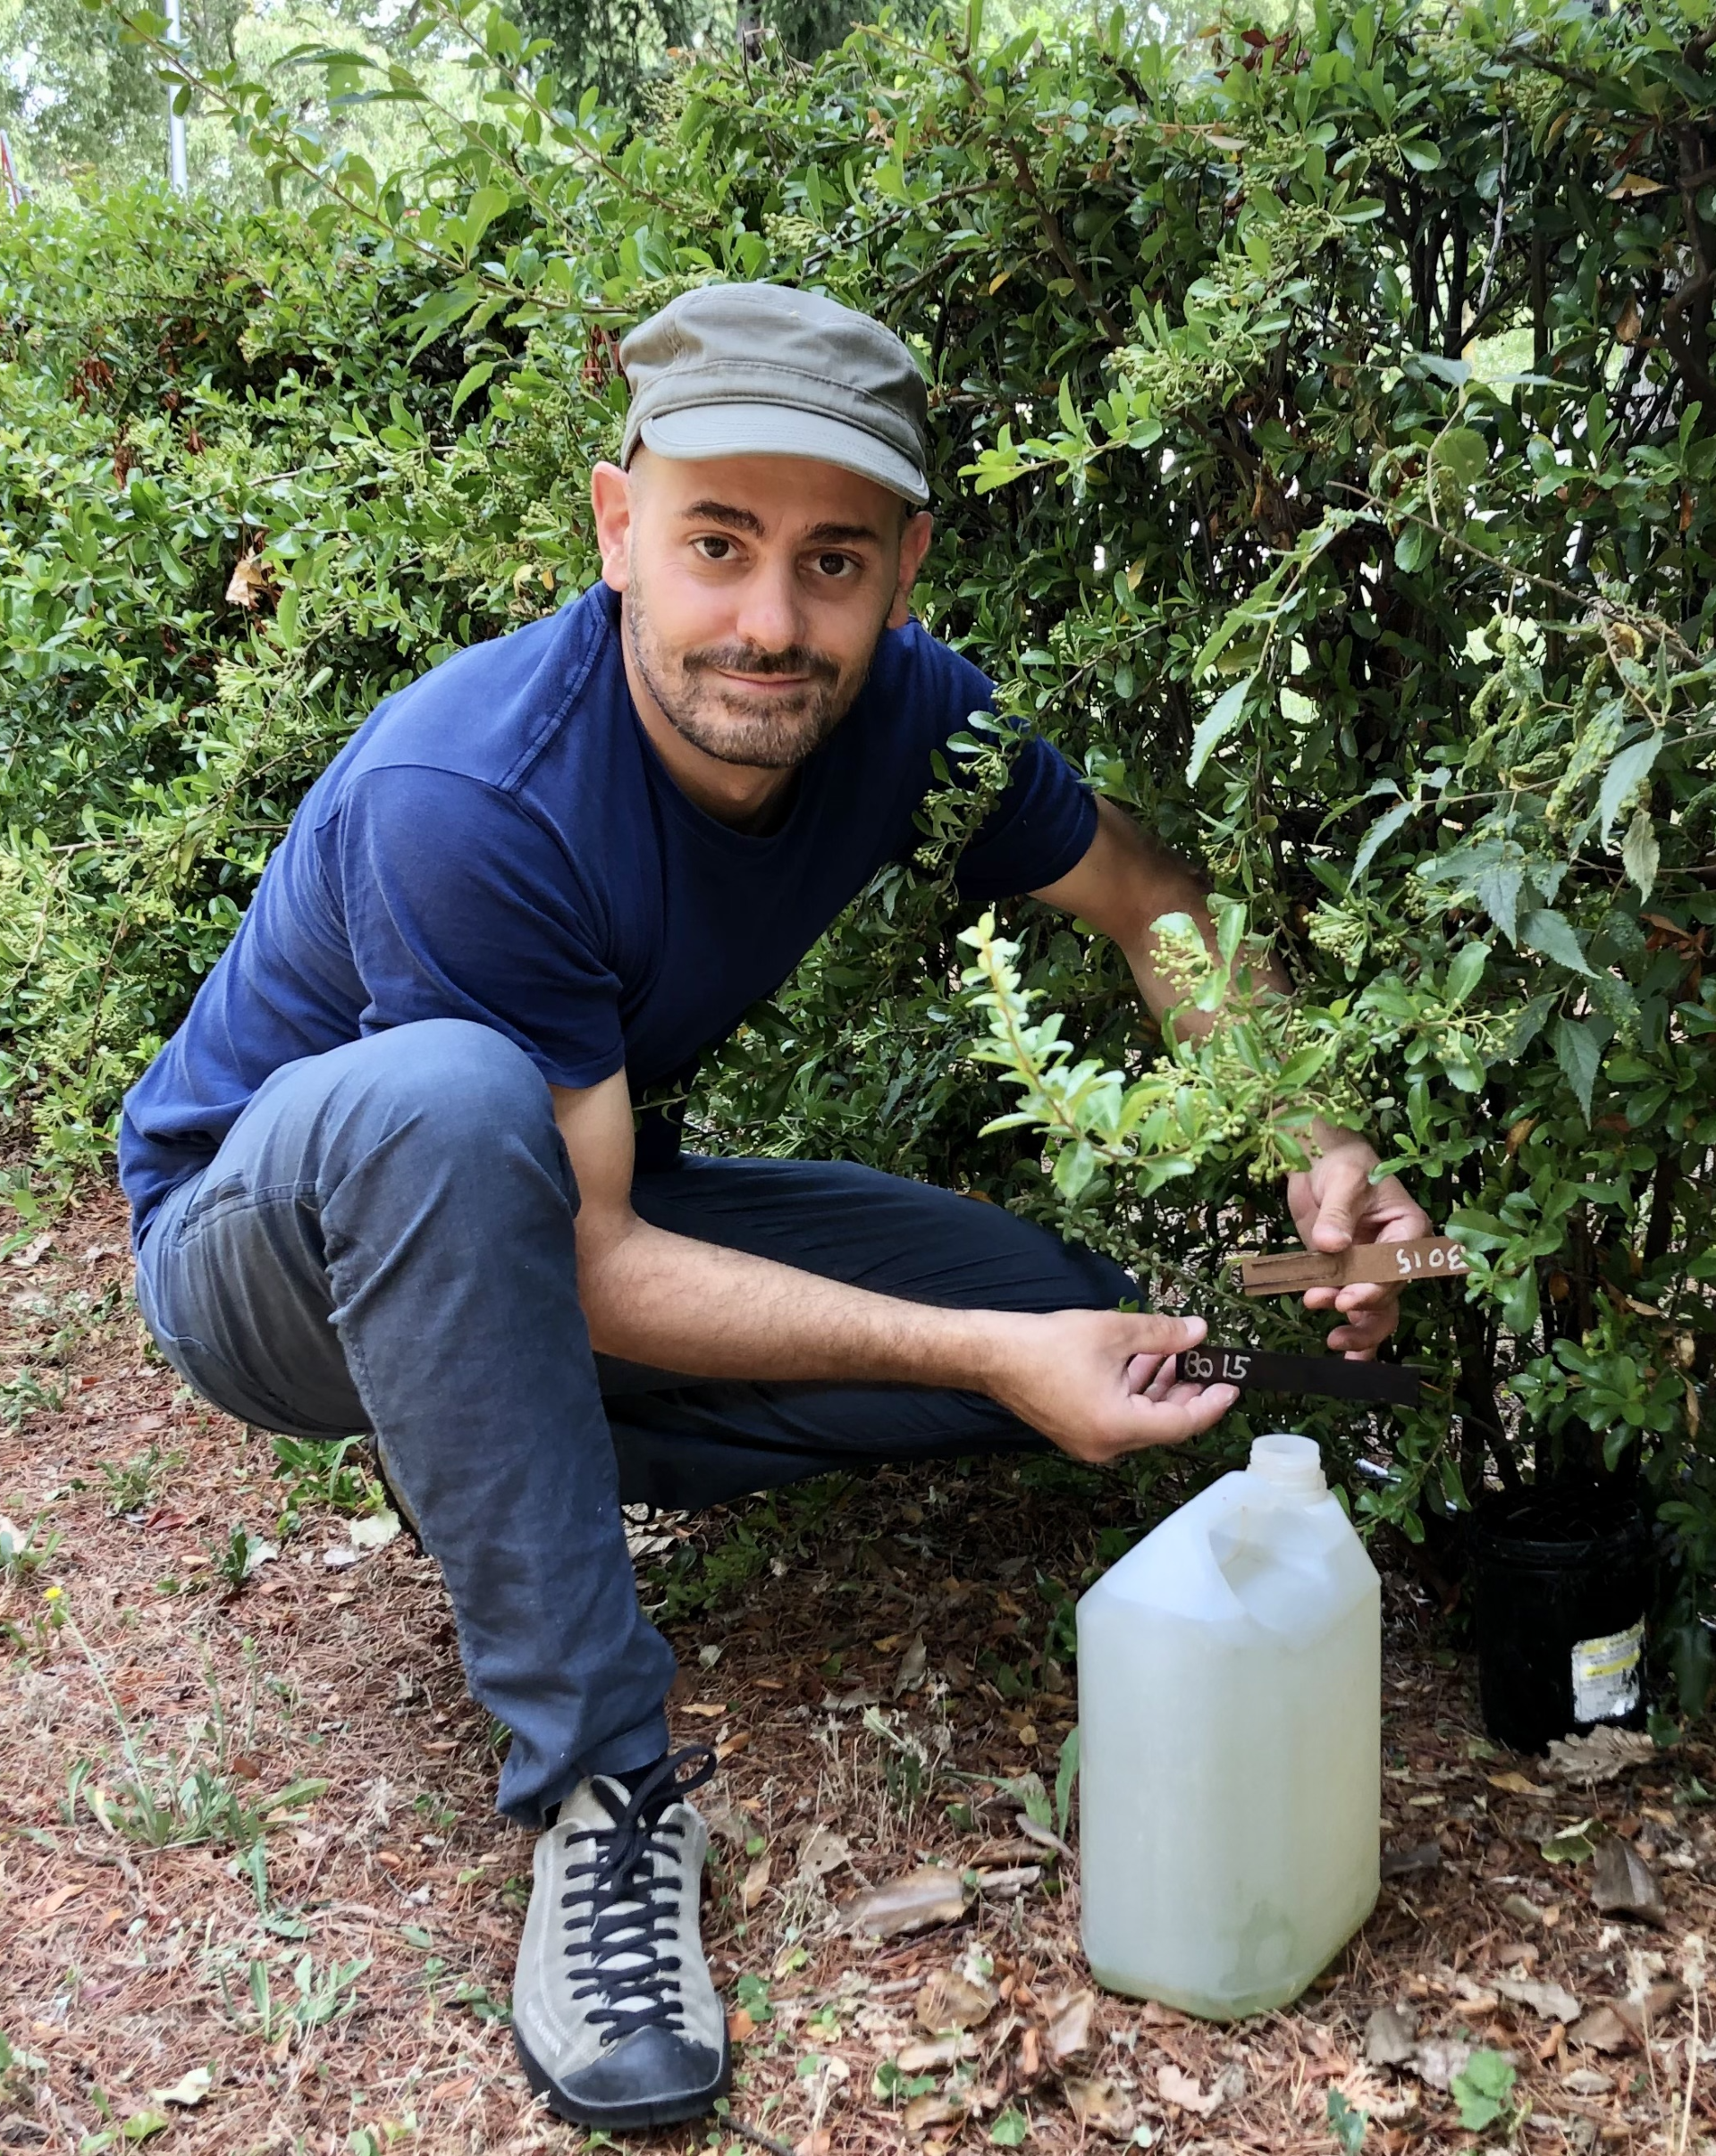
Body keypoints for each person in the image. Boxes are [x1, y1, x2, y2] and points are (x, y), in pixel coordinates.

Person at [119, 282, 1431, 2132]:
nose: (768, 621)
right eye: (714, 543)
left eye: (831, 561)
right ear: (614, 527)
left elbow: (1147, 898)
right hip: (273, 1246)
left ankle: (497, 1447)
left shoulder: (913, 717)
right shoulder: (471, 793)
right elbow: (589, 1260)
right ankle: (597, 1789)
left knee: (1061, 1311)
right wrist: (984, 1354)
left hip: (571, 1208)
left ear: (902, 565)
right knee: (453, 1101)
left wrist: (1314, 1132)